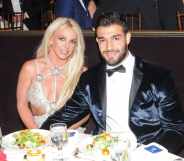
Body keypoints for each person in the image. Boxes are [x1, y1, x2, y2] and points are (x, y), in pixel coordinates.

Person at [41, 12, 184, 154]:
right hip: (103, 152)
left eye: (115, 38)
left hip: (145, 152)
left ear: (127, 38)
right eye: (102, 40)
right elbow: (64, 116)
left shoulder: (158, 77)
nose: (109, 47)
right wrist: (38, 136)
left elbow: (176, 129)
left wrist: (149, 155)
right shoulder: (89, 79)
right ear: (97, 41)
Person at [16, 17, 90, 129]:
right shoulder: (30, 68)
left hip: (70, 135)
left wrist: (64, 133)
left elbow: (87, 111)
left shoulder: (81, 72)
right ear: (50, 39)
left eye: (72, 42)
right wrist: (39, 135)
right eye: (62, 39)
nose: (67, 46)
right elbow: (22, 105)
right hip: (37, 134)